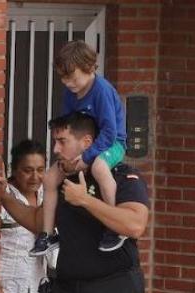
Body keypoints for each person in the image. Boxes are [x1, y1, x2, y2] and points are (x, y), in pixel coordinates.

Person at [39, 111, 149, 293]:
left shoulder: (122, 177)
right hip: (66, 292)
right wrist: (4, 198)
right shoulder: (60, 180)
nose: (55, 149)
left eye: (62, 141)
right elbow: (39, 220)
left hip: (113, 291)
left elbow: (134, 225)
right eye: (55, 142)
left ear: (87, 142)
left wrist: (85, 200)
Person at [33, 40, 128, 256]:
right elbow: (69, 126)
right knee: (50, 178)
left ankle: (115, 225)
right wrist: (69, 157)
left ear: (89, 68)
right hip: (83, 145)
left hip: (111, 144)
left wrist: (87, 157)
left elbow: (110, 133)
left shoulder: (101, 90)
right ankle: (47, 233)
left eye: (73, 77)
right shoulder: (70, 93)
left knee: (99, 168)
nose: (68, 83)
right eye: (64, 78)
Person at [0, 139, 47, 293]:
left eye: (40, 170)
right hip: (5, 290)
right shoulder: (0, 198)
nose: (35, 177)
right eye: (27, 170)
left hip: (36, 290)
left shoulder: (49, 196)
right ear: (14, 170)